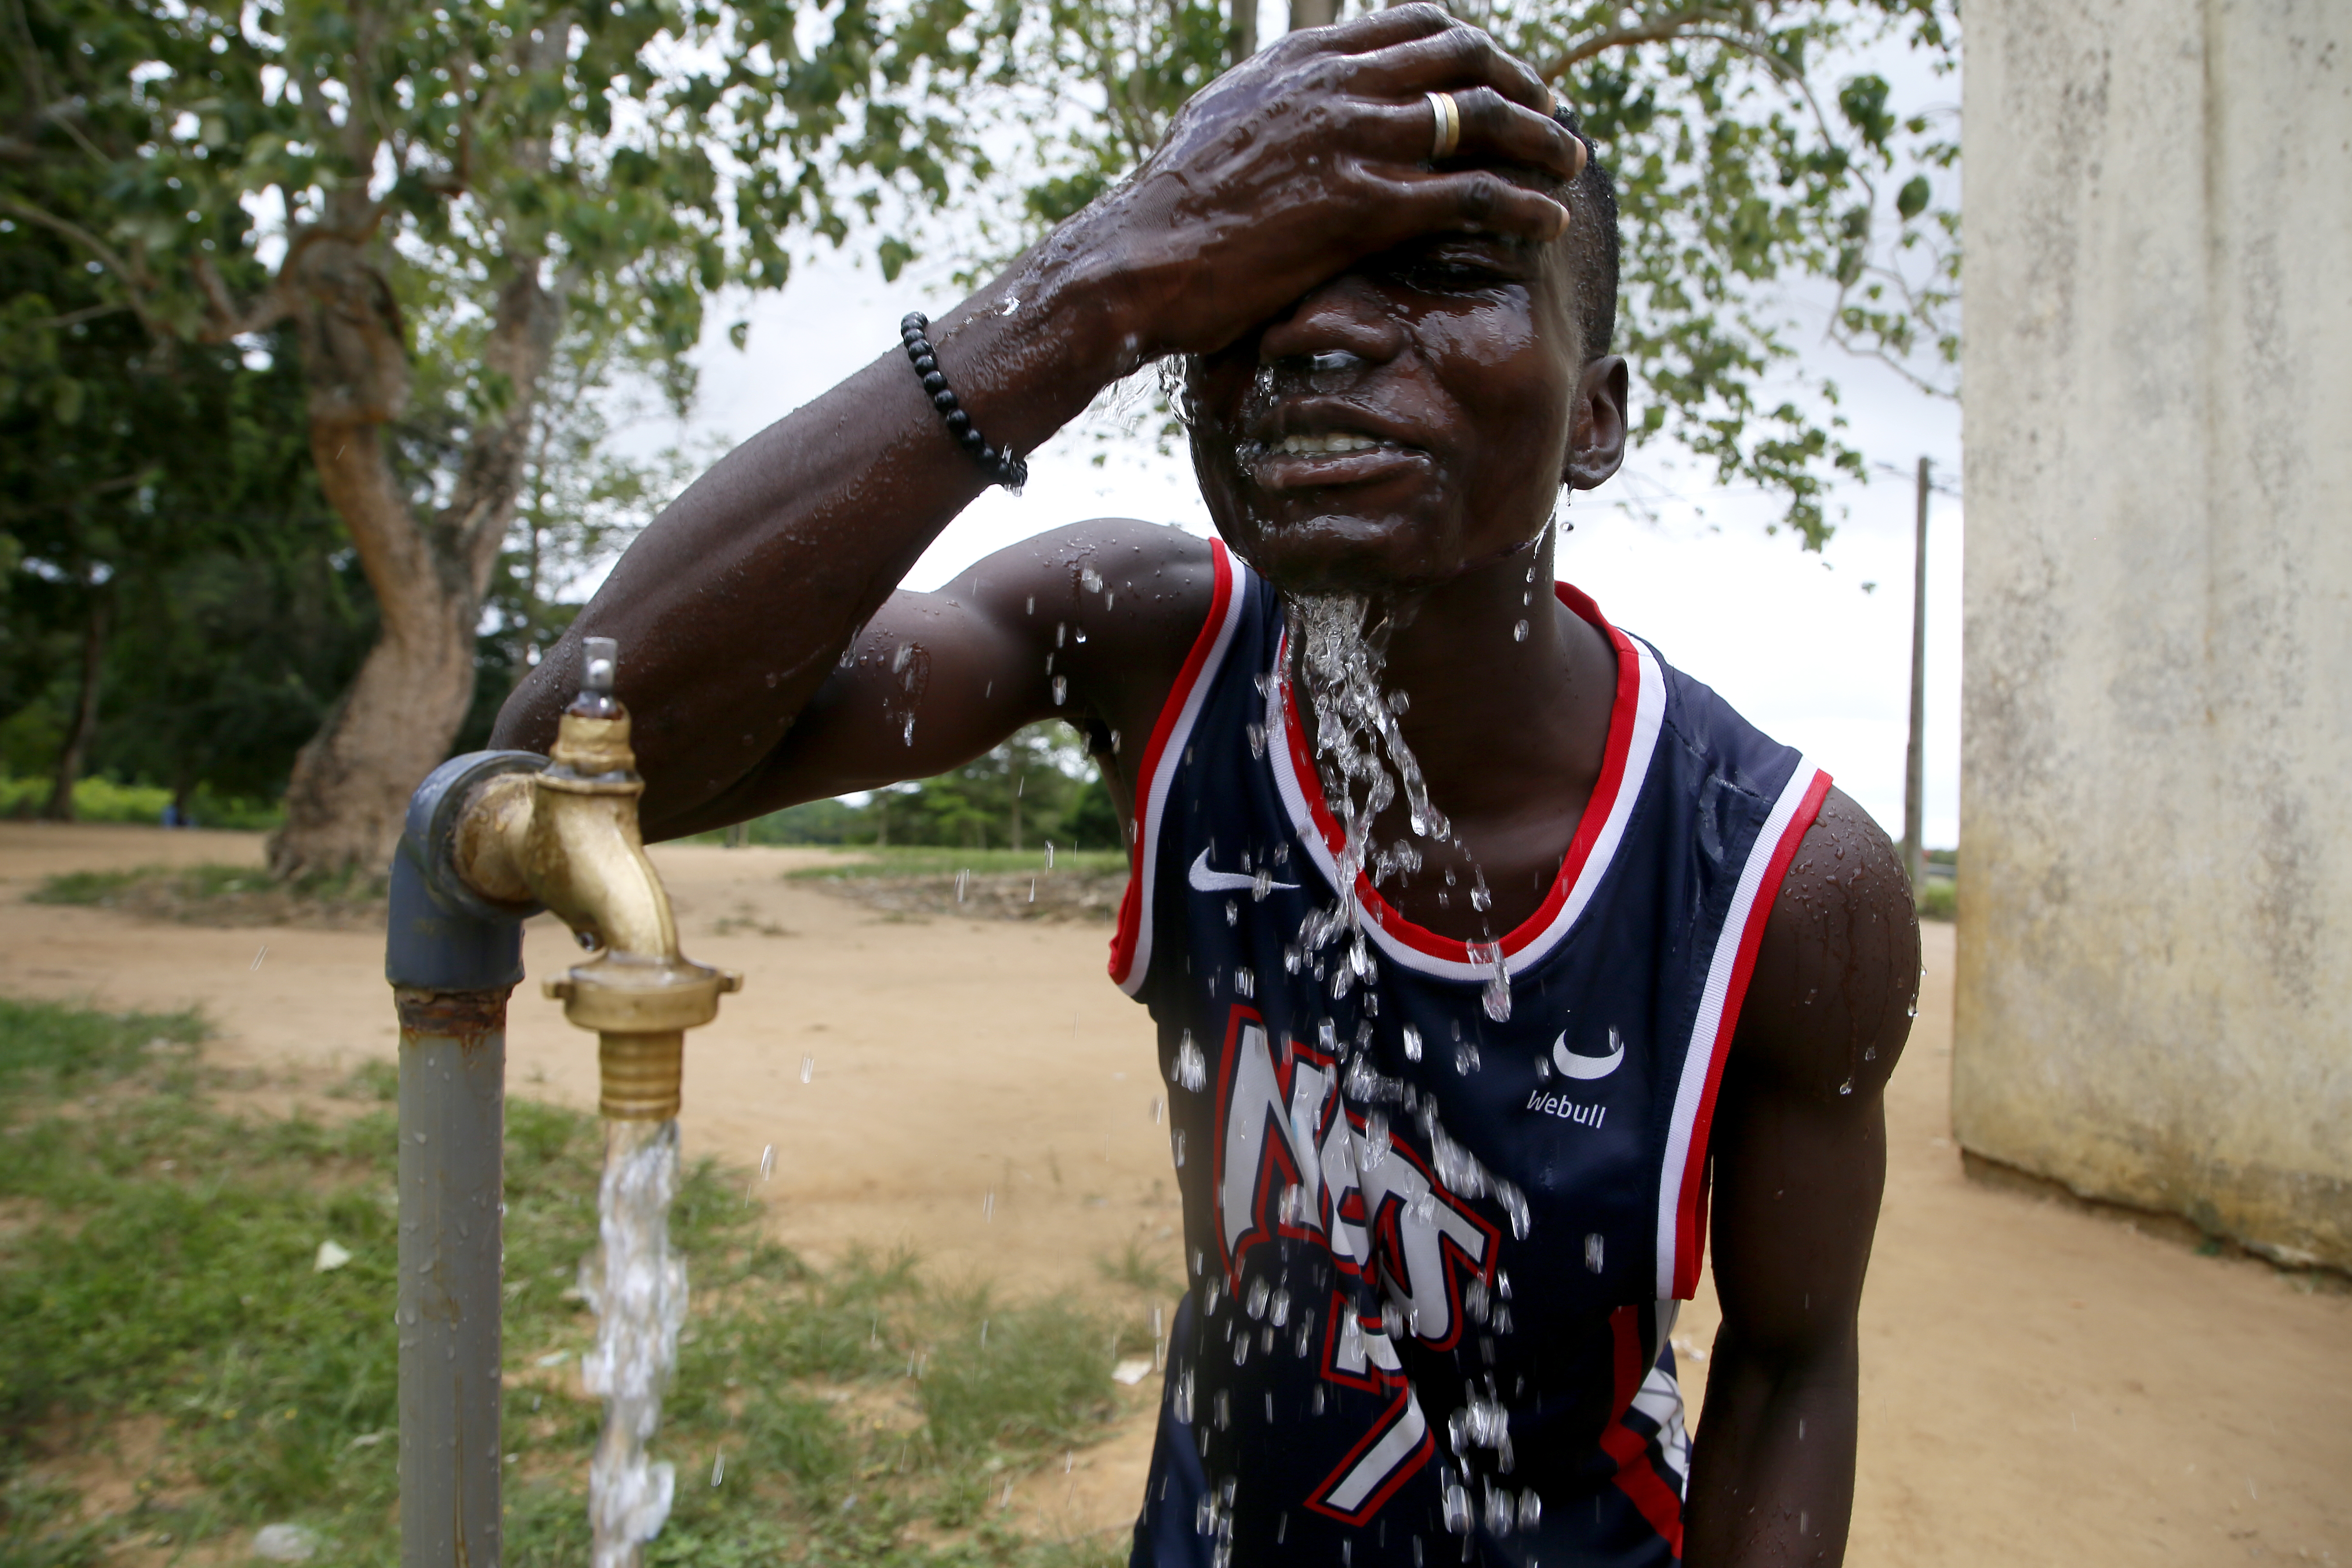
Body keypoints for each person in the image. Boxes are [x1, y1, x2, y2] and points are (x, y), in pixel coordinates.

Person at [493, 9, 1918, 1563]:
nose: (1312, 338)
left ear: (1598, 419)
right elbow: (575, 749)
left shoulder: (1781, 884)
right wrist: (1095, 280)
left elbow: (1790, 1366)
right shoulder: (1143, 645)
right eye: (1244, 287)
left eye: (1446, 272)